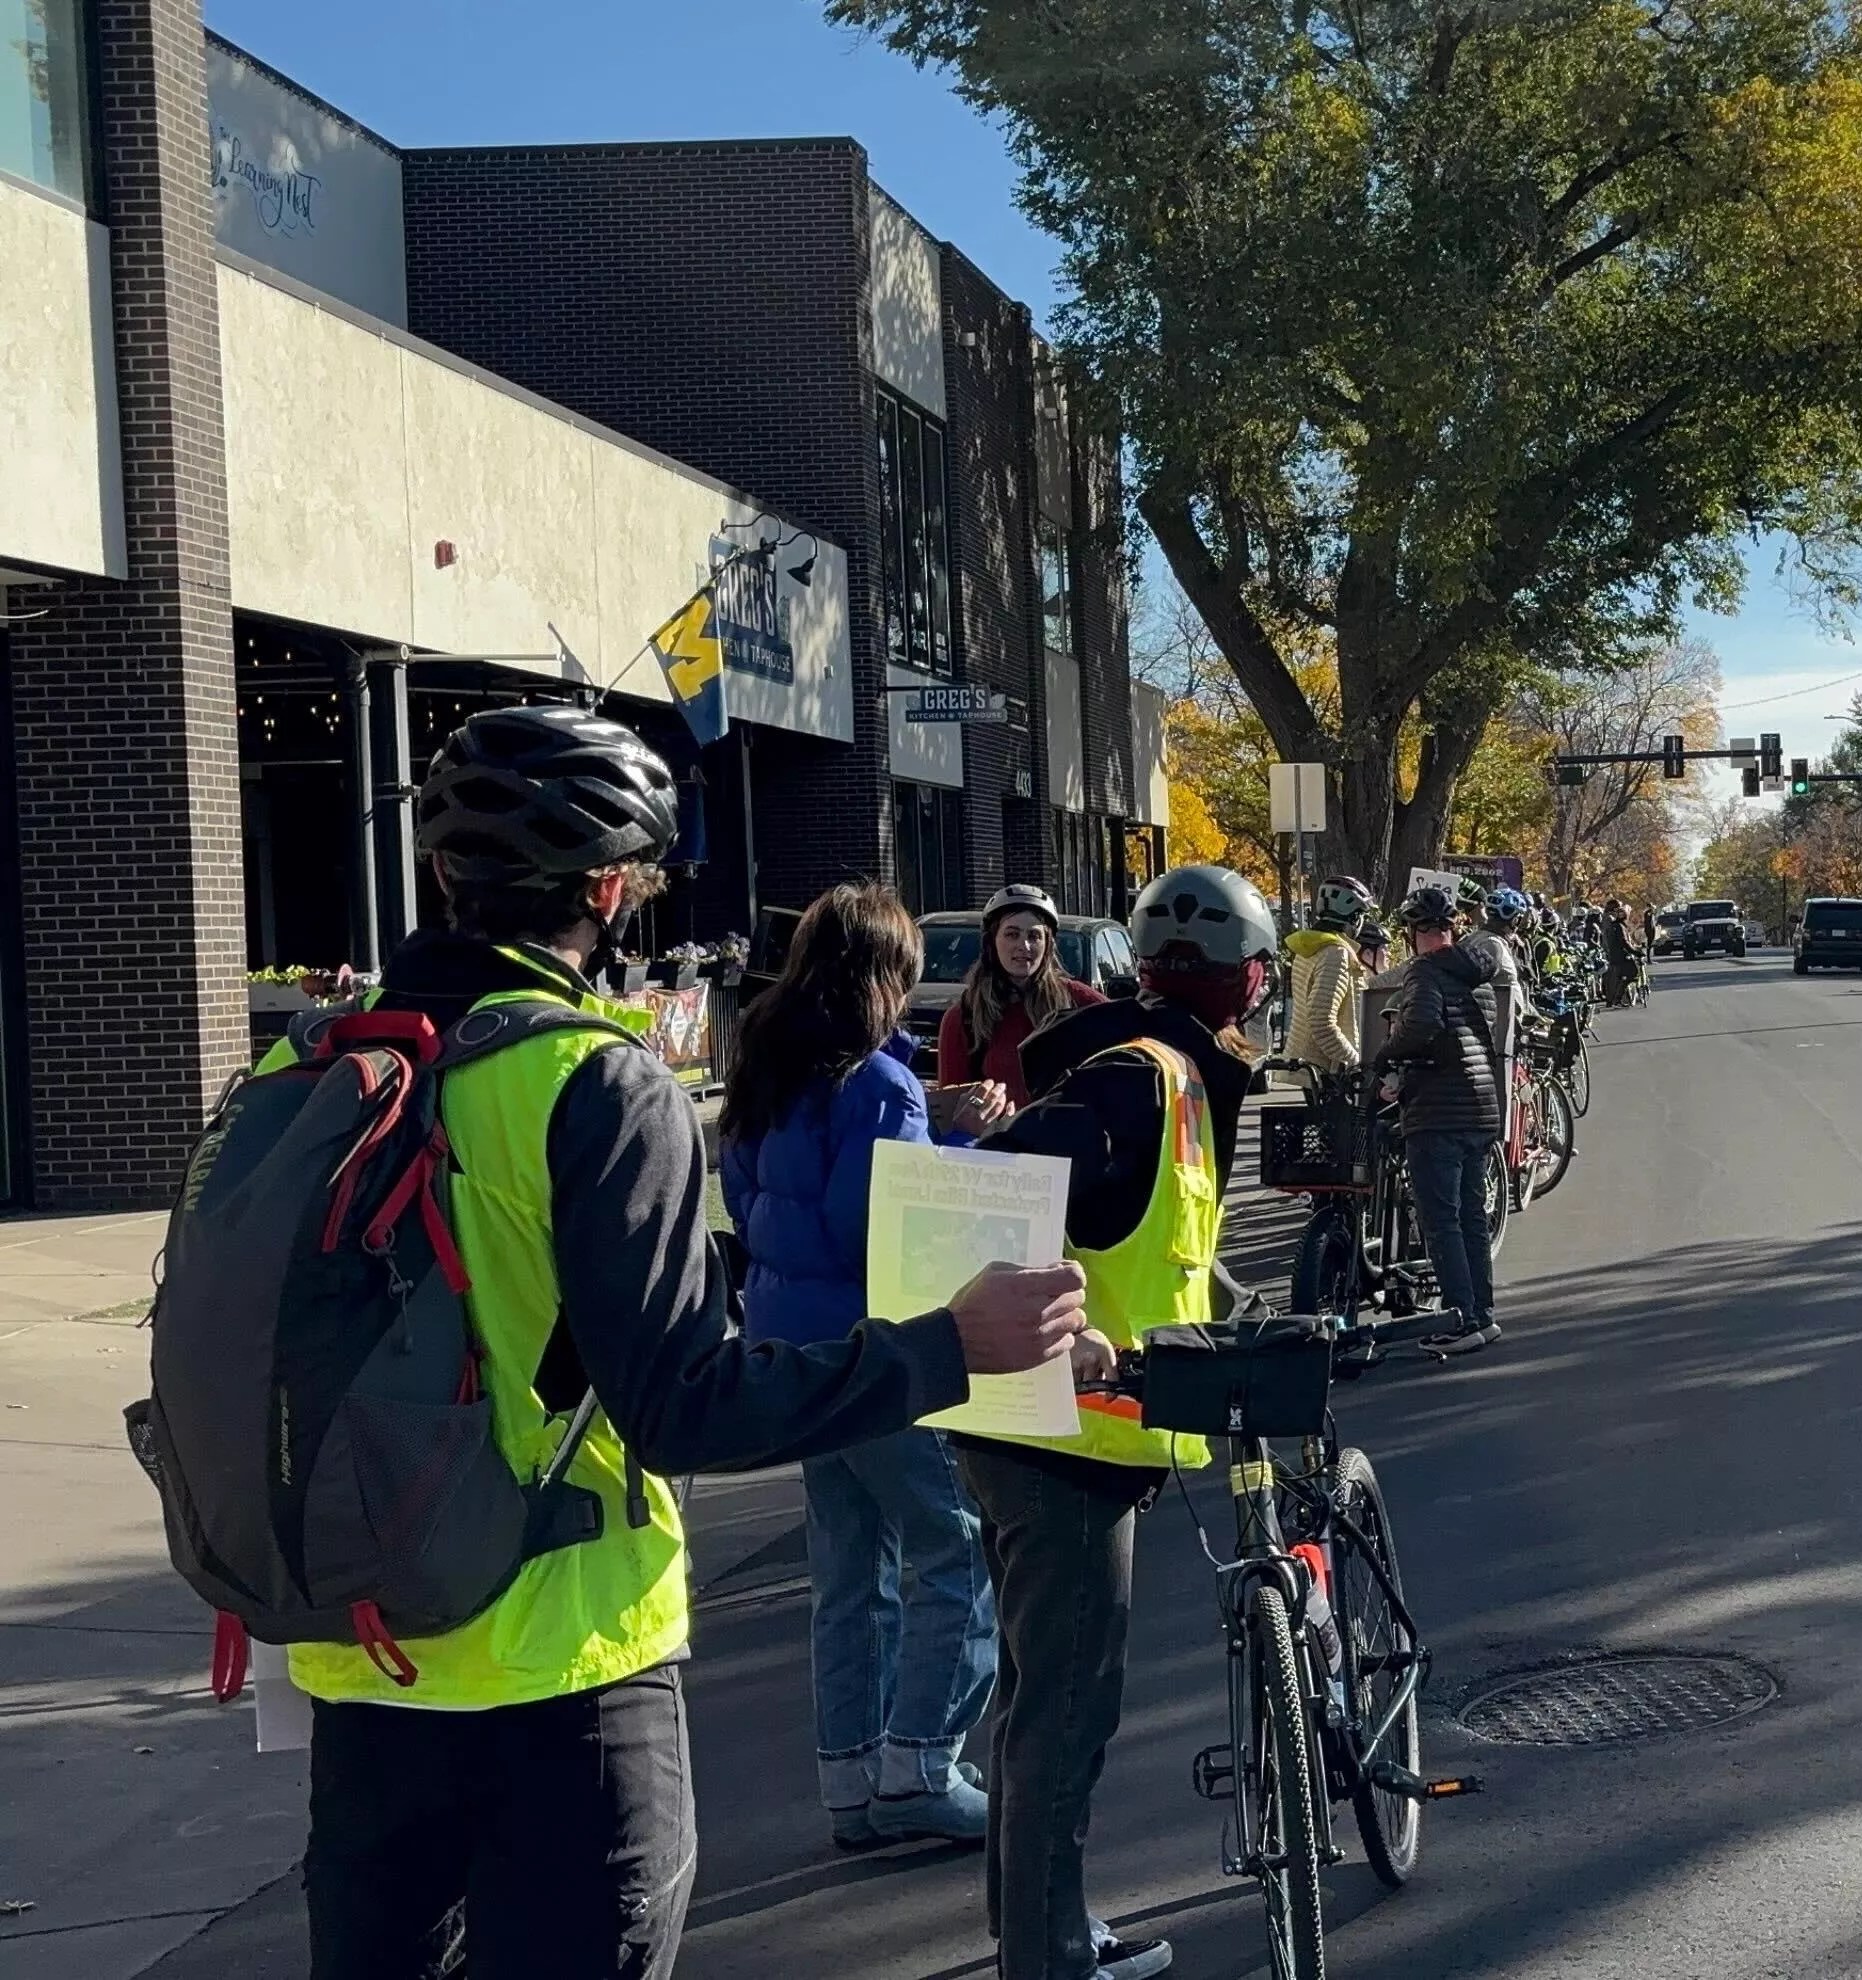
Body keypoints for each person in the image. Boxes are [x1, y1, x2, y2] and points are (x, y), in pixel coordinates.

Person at [289, 705, 1091, 1980]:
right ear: (612, 889)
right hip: (560, 1667)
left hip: (364, 1660)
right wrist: (949, 1346)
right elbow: (687, 1407)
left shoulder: (322, 1061)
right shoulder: (590, 1082)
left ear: (444, 874)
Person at [954, 863, 1281, 1980]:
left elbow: (1141, 1240)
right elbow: (994, 1187)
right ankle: (1047, 1956)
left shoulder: (1164, 1077)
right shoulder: (1142, 1080)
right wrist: (1065, 1327)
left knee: (1033, 1694)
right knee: (1065, 1711)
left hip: (1047, 1433)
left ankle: (1029, 1927)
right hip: (1067, 1441)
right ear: (1241, 980)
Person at [718, 882, 1009, 1852]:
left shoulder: (767, 1064)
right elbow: (882, 1222)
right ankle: (921, 1761)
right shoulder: (879, 1085)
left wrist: (934, 1110)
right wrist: (956, 1130)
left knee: (848, 1568)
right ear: (884, 975)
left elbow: (751, 1195)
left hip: (786, 1342)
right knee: (954, 1549)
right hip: (872, 1343)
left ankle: (850, 1777)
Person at [1370, 885, 1508, 1348]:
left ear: (1413, 933)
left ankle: (1459, 1321)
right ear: (1454, 928)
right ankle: (1482, 1313)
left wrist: (1384, 1056)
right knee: (1471, 1215)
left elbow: (1423, 1026)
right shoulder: (1480, 975)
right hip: (1480, 1107)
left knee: (1441, 1218)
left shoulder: (1424, 971)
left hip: (1438, 1111)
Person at [938, 883, 1106, 1102]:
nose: (1024, 946)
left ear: (1048, 945)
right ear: (991, 941)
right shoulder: (964, 1017)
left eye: (1034, 936)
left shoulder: (1078, 1002)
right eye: (1012, 934)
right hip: (997, 1135)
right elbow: (950, 1111)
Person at [1277, 873, 1375, 1073]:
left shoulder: (1310, 947)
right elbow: (1321, 1022)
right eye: (1362, 915)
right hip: (1329, 1069)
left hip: (1307, 1061)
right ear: (1354, 918)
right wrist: (1355, 1062)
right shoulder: (1335, 953)